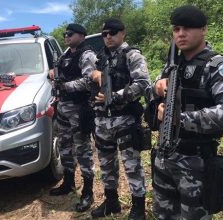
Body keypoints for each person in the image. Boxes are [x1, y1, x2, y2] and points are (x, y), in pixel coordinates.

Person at [151, 5, 223, 219]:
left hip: (196, 162)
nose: (181, 34)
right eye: (176, 29)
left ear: (203, 30)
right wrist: (156, 87)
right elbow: (150, 89)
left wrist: (180, 119)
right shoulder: (172, 66)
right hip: (165, 156)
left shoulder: (218, 66)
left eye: (188, 28)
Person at [90, 18, 152, 219]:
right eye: (105, 34)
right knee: (106, 165)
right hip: (103, 120)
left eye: (113, 32)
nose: (108, 36)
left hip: (125, 119)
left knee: (132, 166)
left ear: (123, 33)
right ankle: (112, 202)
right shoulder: (101, 57)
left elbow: (143, 84)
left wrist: (116, 96)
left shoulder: (131, 55)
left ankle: (138, 207)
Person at [48, 23, 97, 212]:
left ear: (82, 36)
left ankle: (88, 192)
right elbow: (56, 74)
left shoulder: (87, 55)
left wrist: (65, 86)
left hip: (80, 108)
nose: (66, 36)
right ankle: (68, 183)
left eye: (70, 34)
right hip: (63, 108)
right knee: (65, 147)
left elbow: (89, 81)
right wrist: (52, 74)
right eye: (65, 34)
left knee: (83, 149)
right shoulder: (65, 55)